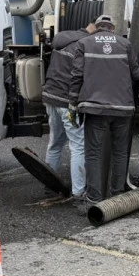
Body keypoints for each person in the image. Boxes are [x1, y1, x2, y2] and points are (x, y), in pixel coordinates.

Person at [68, 15, 139, 205]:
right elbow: (137, 74)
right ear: (112, 28)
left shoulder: (84, 43)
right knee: (120, 152)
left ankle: (94, 198)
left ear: (96, 27)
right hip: (123, 107)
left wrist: (72, 105)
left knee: (93, 153)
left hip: (95, 108)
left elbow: (76, 76)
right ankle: (117, 196)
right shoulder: (124, 44)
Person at [42, 23, 95, 200]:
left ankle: (49, 187)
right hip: (67, 104)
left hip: (50, 97)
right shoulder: (84, 45)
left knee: (55, 143)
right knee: (78, 145)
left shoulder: (64, 38)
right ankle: (79, 192)